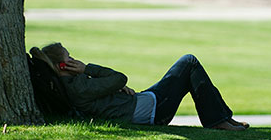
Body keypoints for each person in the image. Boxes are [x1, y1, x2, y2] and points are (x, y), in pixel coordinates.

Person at [39, 43, 249, 130]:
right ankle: (217, 121)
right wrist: (87, 68)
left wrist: (115, 89)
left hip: (142, 101)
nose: (74, 58)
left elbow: (113, 87)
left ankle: (222, 118)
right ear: (63, 65)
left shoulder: (74, 85)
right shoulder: (78, 86)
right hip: (153, 111)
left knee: (188, 65)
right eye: (70, 57)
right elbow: (120, 78)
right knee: (189, 62)